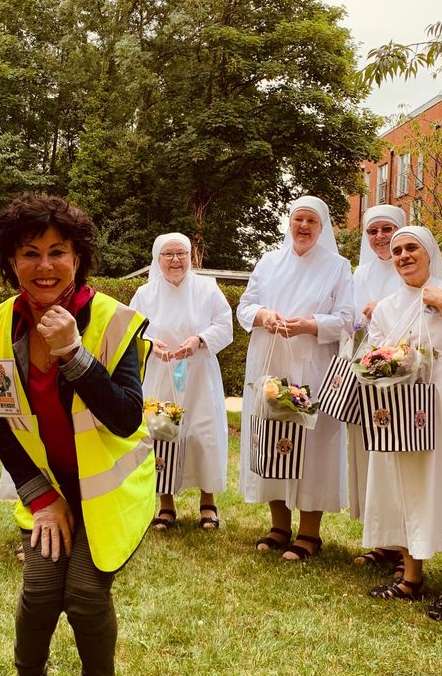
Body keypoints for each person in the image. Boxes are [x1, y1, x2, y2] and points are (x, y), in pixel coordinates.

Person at [0, 194, 155, 676]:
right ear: (10, 262)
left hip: (109, 492)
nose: (44, 265)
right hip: (48, 493)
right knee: (38, 592)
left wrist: (74, 354)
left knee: (82, 593)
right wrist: (40, 497)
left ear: (79, 258)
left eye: (58, 251)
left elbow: (127, 416)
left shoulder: (113, 321)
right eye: (29, 253)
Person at [364, 225, 442, 621]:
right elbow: (373, 356)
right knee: (407, 483)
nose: (403, 255)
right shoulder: (385, 307)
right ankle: (411, 577)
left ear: (429, 252)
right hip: (404, 406)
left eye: (411, 248)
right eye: (397, 250)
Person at [237, 196, 354, 560]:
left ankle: (309, 533)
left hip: (314, 365)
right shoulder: (269, 262)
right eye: (298, 219)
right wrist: (264, 315)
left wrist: (309, 325)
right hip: (270, 362)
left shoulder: (337, 266)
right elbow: (245, 306)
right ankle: (279, 525)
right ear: (289, 224)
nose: (303, 227)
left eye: (311, 221)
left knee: (312, 446)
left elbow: (347, 319)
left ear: (322, 228)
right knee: (271, 438)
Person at [130, 233, 233, 529]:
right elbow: (133, 330)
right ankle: (165, 506)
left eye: (181, 254)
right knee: (161, 431)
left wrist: (200, 339)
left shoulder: (207, 288)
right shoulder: (145, 293)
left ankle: (208, 504)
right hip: (161, 373)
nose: (175, 260)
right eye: (168, 254)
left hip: (199, 372)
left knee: (204, 433)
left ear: (191, 256)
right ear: (157, 258)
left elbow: (224, 325)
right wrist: (152, 345)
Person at [349, 205, 407, 573]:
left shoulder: (412, 264)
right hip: (368, 374)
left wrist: (381, 307)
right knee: (371, 458)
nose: (381, 238)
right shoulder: (361, 273)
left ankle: (407, 550)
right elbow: (349, 320)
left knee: (399, 459)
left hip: (403, 377)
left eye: (388, 229)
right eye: (373, 231)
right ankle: (384, 541)